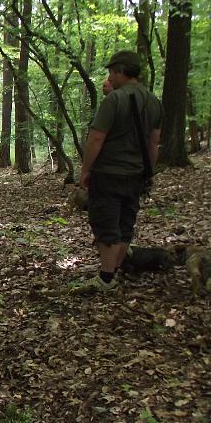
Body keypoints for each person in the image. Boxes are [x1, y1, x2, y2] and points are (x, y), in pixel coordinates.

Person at [77, 50, 163, 293]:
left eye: (111, 72)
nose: (109, 77)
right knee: (126, 223)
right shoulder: (154, 102)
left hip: (109, 173)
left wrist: (86, 169)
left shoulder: (114, 100)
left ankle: (106, 278)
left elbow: (96, 138)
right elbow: (154, 143)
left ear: (121, 71)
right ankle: (113, 272)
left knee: (105, 223)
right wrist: (149, 172)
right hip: (136, 175)